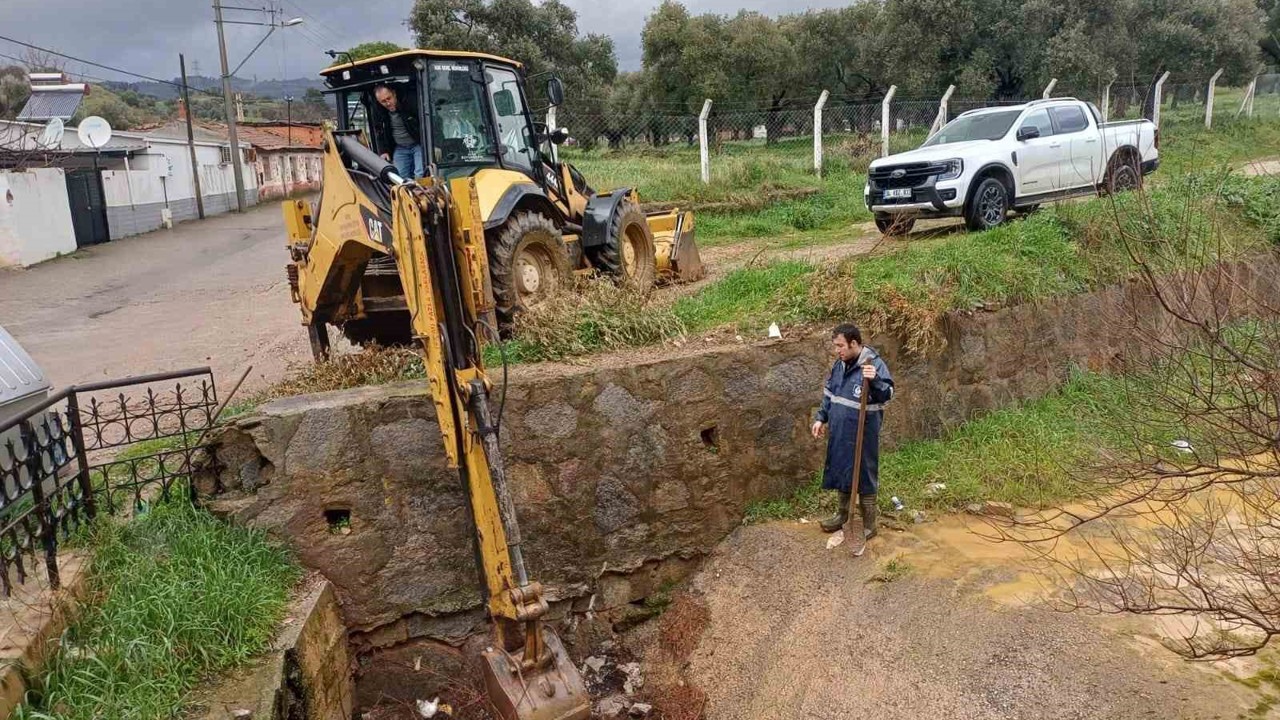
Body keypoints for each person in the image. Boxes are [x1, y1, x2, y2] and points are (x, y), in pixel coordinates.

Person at [811, 323, 894, 539]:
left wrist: (874, 380)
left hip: (863, 433)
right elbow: (830, 394)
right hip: (840, 431)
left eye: (840, 346)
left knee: (865, 474)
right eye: (835, 346)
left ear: (854, 343)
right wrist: (821, 418)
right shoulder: (840, 365)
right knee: (842, 470)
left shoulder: (873, 364)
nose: (837, 350)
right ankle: (842, 515)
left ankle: (869, 524)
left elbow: (887, 394)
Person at [372, 84, 424, 179]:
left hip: (418, 144)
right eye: (383, 101)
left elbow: (430, 120)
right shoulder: (379, 112)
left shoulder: (410, 103)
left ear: (394, 94)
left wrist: (435, 145)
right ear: (379, 102)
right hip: (400, 147)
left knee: (420, 174)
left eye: (389, 98)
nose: (388, 103)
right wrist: (383, 151)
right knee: (399, 178)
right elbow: (379, 131)